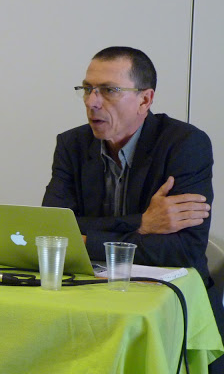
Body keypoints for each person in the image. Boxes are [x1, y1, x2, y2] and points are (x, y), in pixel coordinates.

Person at [42, 46, 224, 368]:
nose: (91, 102)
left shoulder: (185, 145)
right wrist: (143, 222)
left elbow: (184, 249)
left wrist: (90, 241)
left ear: (145, 100)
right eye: (87, 89)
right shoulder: (71, 145)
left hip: (167, 306)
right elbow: (54, 231)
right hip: (87, 300)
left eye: (109, 91)